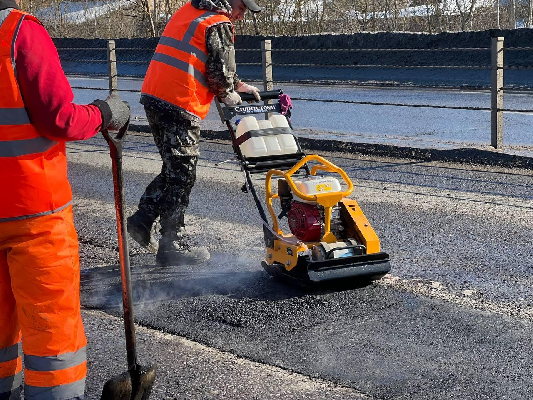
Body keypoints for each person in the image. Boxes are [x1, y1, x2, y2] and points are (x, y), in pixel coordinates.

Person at [0, 0, 130, 398]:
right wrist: (105, 111)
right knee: (52, 328)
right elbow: (59, 118)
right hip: (33, 212)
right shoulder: (20, 33)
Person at [128, 0, 262, 266]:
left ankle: (143, 220)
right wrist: (228, 94)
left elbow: (202, 58)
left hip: (155, 96)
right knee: (183, 174)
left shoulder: (191, 11)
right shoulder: (218, 22)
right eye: (242, 8)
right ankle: (171, 245)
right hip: (180, 102)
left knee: (174, 168)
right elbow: (217, 73)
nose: (241, 15)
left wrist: (238, 85)